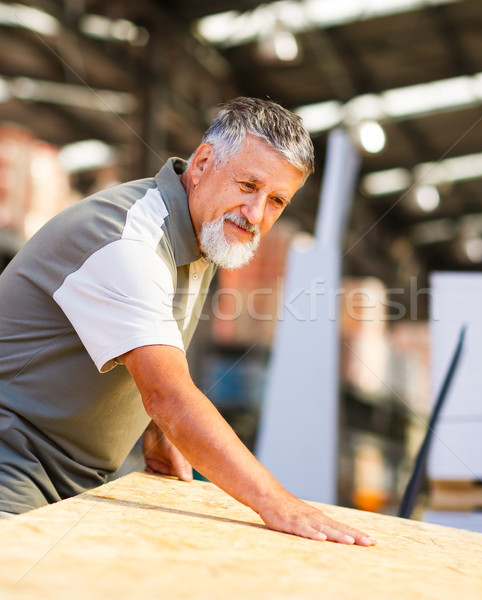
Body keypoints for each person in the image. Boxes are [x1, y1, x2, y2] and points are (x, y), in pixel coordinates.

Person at [0, 97, 376, 546]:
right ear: (201, 164)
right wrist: (282, 504)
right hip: (16, 463)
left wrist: (152, 427)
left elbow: (145, 353)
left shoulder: (207, 233)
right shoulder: (127, 242)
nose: (256, 215)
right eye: (248, 184)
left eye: (276, 200)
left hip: (86, 476)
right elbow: (170, 396)